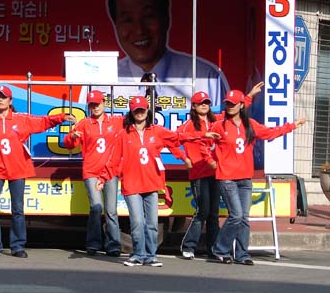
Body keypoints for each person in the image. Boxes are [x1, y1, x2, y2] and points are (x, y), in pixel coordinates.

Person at [96, 96, 215, 267]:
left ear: (147, 111)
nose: (140, 113)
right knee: (137, 222)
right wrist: (102, 178)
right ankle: (138, 254)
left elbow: (179, 137)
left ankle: (151, 255)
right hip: (132, 185)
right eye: (136, 110)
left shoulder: (157, 131)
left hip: (151, 184)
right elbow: (113, 160)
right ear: (132, 112)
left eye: (142, 110)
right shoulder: (123, 134)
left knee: (152, 223)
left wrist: (203, 134)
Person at [87, 0, 229, 109]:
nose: (139, 30)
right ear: (115, 25)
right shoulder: (100, 83)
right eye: (128, 20)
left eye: (148, 16)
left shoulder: (206, 78)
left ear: (166, 18)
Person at [210, 89, 306, 266]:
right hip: (227, 178)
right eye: (227, 104)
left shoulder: (250, 125)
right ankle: (220, 249)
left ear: (240, 106)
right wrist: (211, 161)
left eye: (233, 104)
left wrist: (292, 126)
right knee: (236, 215)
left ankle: (242, 254)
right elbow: (203, 142)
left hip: (245, 178)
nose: (229, 107)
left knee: (244, 217)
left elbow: (270, 133)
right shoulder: (219, 125)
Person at [0, 85, 76, 258]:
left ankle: (17, 246)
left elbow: (42, 121)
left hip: (17, 168)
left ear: (10, 101)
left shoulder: (20, 119)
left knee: (17, 209)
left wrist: (61, 117)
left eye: (4, 97)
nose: (0, 100)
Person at [178, 82, 263, 260]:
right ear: (193, 106)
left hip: (217, 173)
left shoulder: (216, 121)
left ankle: (213, 248)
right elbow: (175, 139)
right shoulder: (188, 125)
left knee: (214, 212)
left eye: (207, 103)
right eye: (200, 103)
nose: (204, 105)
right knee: (203, 210)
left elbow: (236, 109)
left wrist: (250, 95)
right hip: (199, 173)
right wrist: (185, 158)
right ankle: (189, 246)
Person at [63, 90, 122, 257]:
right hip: (91, 171)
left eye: (97, 104)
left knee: (111, 210)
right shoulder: (84, 124)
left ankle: (113, 244)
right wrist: (72, 137)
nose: (95, 107)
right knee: (96, 207)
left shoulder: (116, 121)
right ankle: (93, 243)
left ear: (104, 103)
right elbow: (68, 144)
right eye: (92, 105)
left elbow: (133, 127)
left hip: (110, 171)